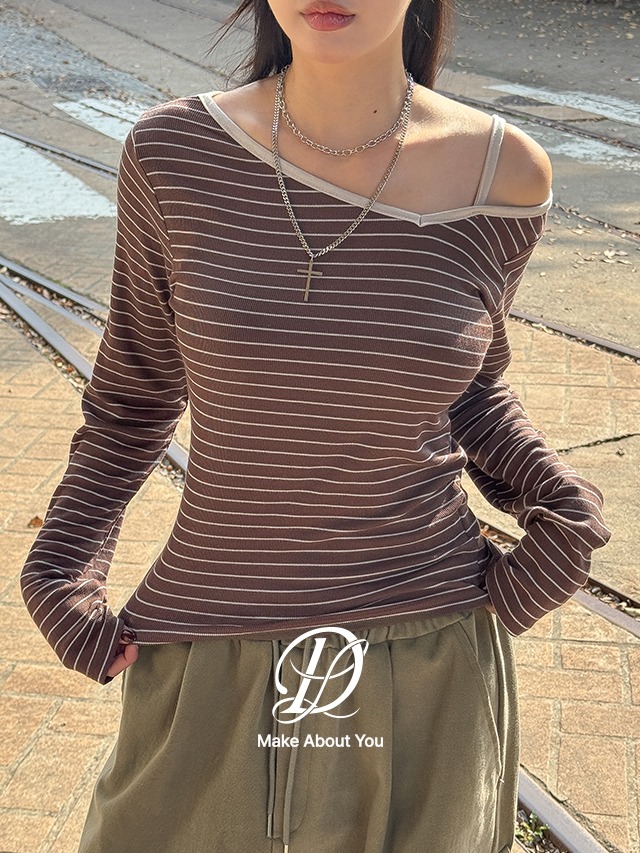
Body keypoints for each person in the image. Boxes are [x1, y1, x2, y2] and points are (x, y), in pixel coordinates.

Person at [20, 1, 611, 851]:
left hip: (428, 659)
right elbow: (133, 397)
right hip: (208, 655)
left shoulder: (504, 170)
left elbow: (468, 388)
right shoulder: (171, 153)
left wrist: (563, 511)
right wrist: (58, 567)